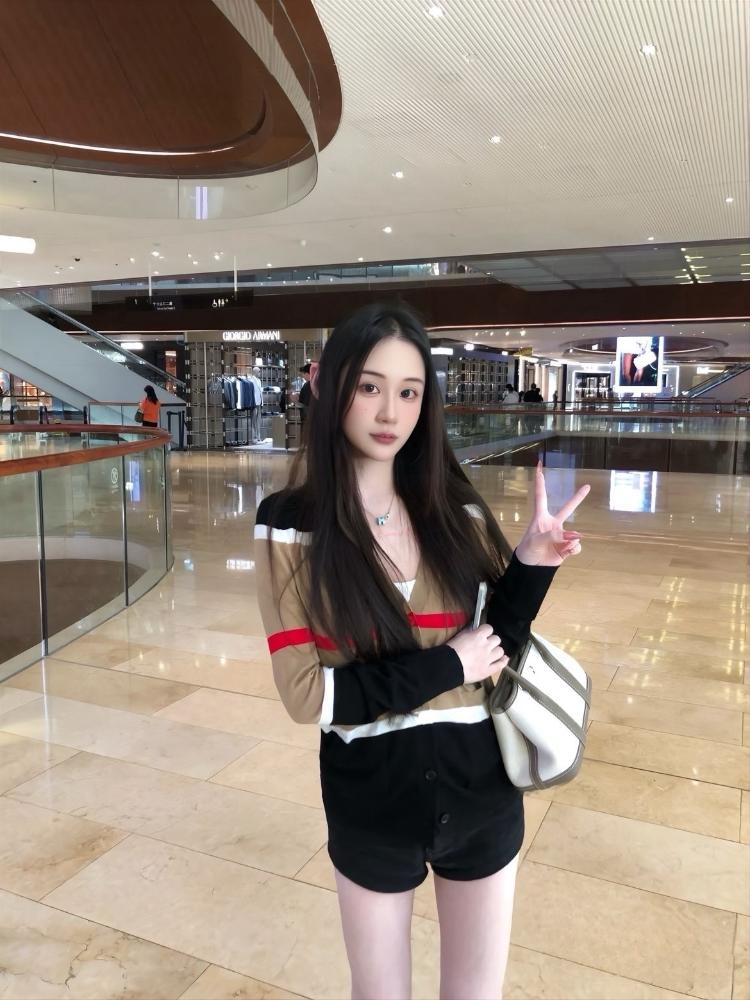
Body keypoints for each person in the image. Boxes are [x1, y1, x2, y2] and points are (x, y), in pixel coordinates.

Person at [254, 303, 588, 1000]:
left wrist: (531, 564)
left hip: (483, 794)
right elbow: (309, 696)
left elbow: (497, 645)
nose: (390, 412)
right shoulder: (291, 526)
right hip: (371, 801)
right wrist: (449, 666)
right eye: (369, 386)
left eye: (408, 392)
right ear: (326, 384)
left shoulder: (455, 511)